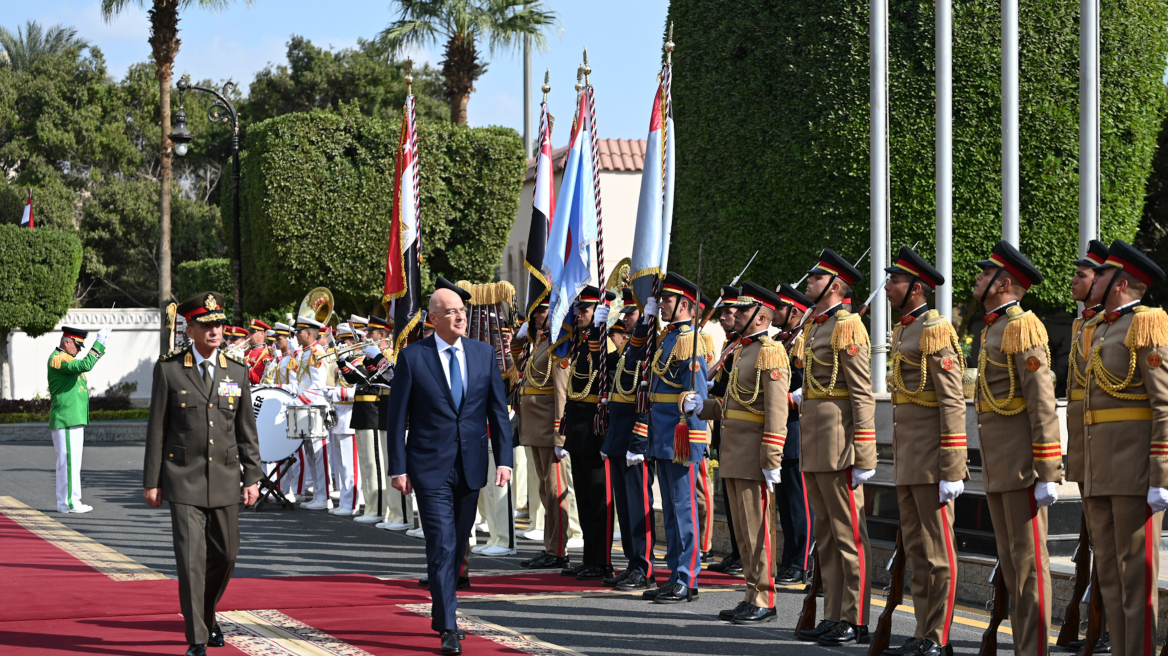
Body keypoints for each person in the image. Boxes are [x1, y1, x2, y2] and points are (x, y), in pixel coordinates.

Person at [386, 287, 513, 656]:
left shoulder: (483, 353)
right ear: (433, 318)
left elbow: (497, 411)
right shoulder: (413, 357)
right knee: (441, 543)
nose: (460, 316)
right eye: (451, 311)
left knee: (457, 544)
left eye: (462, 311)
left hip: (470, 465)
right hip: (429, 466)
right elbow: (397, 418)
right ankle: (448, 626)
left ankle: (441, 606)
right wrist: (398, 467)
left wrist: (504, 459)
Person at [143, 292, 262, 656]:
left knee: (226, 554)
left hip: (225, 477)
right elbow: (157, 429)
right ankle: (197, 636)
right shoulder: (169, 369)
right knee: (191, 559)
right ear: (190, 329)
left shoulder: (236, 371)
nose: (215, 331)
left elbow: (246, 430)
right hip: (182, 476)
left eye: (219, 325)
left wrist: (252, 476)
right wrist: (152, 481)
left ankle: (207, 614)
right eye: (206, 325)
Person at [973, 240, 1061, 656]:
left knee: (1029, 565)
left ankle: (1034, 648)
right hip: (999, 465)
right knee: (1012, 564)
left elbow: (1042, 403)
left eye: (984, 273)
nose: (977, 277)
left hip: (1024, 466)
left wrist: (1048, 471)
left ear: (1003, 283)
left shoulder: (1022, 327)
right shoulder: (994, 327)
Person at [1081, 240, 1167, 656]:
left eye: (1101, 273)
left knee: (1136, 579)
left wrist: (1161, 475)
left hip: (1134, 473)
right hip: (1100, 470)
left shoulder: (1146, 324)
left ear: (1120, 283)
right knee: (1111, 579)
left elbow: (1164, 404)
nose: (1093, 277)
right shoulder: (1103, 327)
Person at [687, 281, 790, 624]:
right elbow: (734, 405)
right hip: (733, 451)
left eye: (744, 310)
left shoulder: (770, 352)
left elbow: (776, 411)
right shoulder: (742, 351)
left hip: (753, 455)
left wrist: (772, 457)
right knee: (744, 533)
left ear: (761, 317)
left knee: (758, 531)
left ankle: (764, 597)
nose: (737, 314)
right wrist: (703, 407)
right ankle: (750, 593)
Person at [882, 246, 967, 656]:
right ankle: (922, 631)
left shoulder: (935, 330)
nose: (887, 286)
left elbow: (952, 402)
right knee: (916, 551)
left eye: (894, 280)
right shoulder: (905, 331)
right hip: (909, 459)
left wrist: (953, 466)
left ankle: (939, 637)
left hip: (933, 460)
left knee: (938, 553)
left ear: (915, 288)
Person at [795, 249, 876, 646]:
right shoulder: (818, 326)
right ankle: (833, 614)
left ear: (835, 286)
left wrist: (865, 452)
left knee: (849, 536)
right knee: (826, 535)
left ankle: (855, 617)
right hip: (815, 444)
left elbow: (862, 393)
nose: (808, 282)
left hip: (840, 445)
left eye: (815, 277)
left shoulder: (848, 327)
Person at [633, 272, 709, 604]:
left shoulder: (690, 340)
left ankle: (687, 577)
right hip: (661, 432)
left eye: (668, 300)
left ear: (686, 305)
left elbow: (698, 397)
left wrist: (694, 441)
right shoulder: (667, 337)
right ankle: (675, 573)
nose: (662, 304)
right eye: (662, 299)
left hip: (680, 435)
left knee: (683, 509)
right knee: (671, 508)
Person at [600, 290, 658, 590]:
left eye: (632, 314)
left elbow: (647, 401)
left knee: (638, 505)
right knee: (624, 507)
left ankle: (644, 567)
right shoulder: (630, 350)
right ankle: (633, 562)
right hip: (619, 438)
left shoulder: (652, 349)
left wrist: (639, 442)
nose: (626, 319)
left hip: (636, 440)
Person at [511, 298, 573, 569]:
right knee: (544, 490)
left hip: (549, 427)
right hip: (534, 427)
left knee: (555, 490)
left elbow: (561, 392)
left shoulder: (558, 344)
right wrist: (518, 340)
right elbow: (520, 367)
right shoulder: (540, 343)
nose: (535, 316)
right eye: (534, 311)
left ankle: (558, 550)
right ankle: (551, 546)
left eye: (541, 311)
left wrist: (560, 435)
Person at [560, 286, 617, 580]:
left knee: (599, 501)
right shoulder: (581, 344)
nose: (578, 314)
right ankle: (589, 557)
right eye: (578, 309)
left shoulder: (603, 346)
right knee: (583, 500)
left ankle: (602, 560)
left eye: (585, 310)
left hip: (596, 433)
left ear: (598, 313)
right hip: (579, 432)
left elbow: (606, 380)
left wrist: (599, 330)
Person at [772, 283, 815, 585]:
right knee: (785, 506)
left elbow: (804, 387)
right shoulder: (780, 342)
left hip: (796, 429)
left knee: (800, 504)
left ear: (795, 312)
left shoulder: (802, 342)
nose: (774, 312)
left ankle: (801, 562)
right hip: (778, 431)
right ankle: (788, 560)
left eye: (779, 307)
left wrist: (783, 399)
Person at [48, 325, 110, 513]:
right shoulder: (59, 359)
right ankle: (70, 502)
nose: (79, 349)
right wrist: (99, 343)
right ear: (67, 342)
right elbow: (86, 365)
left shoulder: (66, 358)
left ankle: (65, 502)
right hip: (66, 417)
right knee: (69, 463)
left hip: (73, 417)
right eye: (77, 345)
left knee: (70, 463)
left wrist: (102, 344)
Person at [707, 286, 745, 575]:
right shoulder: (730, 345)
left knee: (744, 502)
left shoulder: (746, 348)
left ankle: (746, 556)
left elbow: (738, 388)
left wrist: (713, 386)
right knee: (730, 499)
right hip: (724, 425)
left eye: (729, 312)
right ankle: (736, 551)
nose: (723, 317)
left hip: (742, 430)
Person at [290, 316, 332, 510]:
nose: (296, 335)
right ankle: (317, 494)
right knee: (310, 452)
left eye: (299, 332)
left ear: (308, 334)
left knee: (318, 453)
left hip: (315, 407)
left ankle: (324, 496)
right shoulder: (306, 353)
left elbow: (318, 385)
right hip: (305, 407)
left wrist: (299, 400)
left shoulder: (316, 353)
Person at [326, 323, 362, 516]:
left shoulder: (359, 361)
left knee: (351, 466)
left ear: (353, 342)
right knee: (341, 465)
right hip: (339, 417)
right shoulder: (342, 361)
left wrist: (335, 393)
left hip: (350, 416)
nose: (340, 345)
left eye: (344, 341)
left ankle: (351, 504)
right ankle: (345, 501)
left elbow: (358, 390)